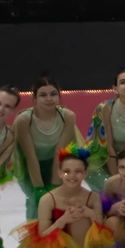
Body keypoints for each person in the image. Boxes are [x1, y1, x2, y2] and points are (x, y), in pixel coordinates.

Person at [16, 143, 113, 248]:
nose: (72, 176)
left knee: (79, 215)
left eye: (78, 171)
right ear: (60, 173)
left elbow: (101, 225)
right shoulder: (48, 200)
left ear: (85, 173)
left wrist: (90, 213)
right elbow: (43, 234)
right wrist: (62, 220)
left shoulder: (92, 197)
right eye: (67, 171)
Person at [9, 77, 80, 220]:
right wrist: (39, 188)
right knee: (37, 201)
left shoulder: (68, 116)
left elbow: (59, 152)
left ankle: (59, 236)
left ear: (59, 96)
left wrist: (54, 184)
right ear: (34, 98)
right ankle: (34, 238)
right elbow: (30, 156)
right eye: (43, 95)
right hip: (27, 167)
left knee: (58, 199)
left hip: (57, 164)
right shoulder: (24, 120)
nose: (49, 98)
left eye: (53, 94)